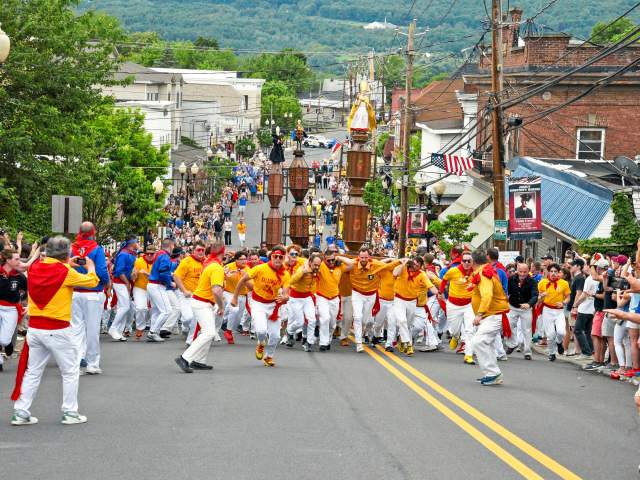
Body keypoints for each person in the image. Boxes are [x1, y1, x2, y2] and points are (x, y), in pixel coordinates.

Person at [11, 236, 99, 425]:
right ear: (67, 254)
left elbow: (52, 270)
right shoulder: (66, 272)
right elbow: (92, 282)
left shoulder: (34, 268)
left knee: (33, 371)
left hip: (34, 329)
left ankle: (21, 411)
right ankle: (70, 412)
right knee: (70, 371)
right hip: (57, 329)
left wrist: (68, 264)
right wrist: (90, 267)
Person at [232, 246, 290, 367]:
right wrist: (235, 297)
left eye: (281, 257)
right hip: (258, 304)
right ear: (271, 257)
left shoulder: (285, 274)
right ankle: (261, 343)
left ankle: (269, 357)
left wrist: (284, 298)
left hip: (274, 305)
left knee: (275, 335)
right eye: (275, 256)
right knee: (261, 331)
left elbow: (286, 294)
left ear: (283, 259)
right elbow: (243, 279)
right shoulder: (260, 268)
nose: (278, 259)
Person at [70, 222, 110, 375]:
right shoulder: (96, 249)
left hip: (74, 292)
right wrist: (107, 282)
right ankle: (92, 364)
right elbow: (101, 270)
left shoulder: (71, 248)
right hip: (93, 293)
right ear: (93, 232)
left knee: (76, 329)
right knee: (92, 329)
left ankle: (76, 362)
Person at [175, 253, 225, 373]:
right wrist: (221, 306)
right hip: (202, 302)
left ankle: (199, 361)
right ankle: (184, 358)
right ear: (222, 254)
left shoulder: (210, 265)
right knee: (209, 333)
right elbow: (216, 290)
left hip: (202, 301)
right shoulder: (216, 267)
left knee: (209, 332)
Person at [469, 249, 510, 386]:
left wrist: (479, 314)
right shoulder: (483, 271)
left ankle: (493, 373)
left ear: (473, 262)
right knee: (487, 344)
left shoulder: (483, 273)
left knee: (478, 342)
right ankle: (492, 374)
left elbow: (487, 295)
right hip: (492, 314)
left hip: (492, 314)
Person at [392, 257, 437, 356]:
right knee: (401, 320)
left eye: (417, 265)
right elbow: (395, 273)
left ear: (420, 267)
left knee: (408, 324)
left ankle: (402, 339)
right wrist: (403, 263)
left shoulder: (422, 274)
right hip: (399, 299)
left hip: (412, 301)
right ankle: (408, 345)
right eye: (413, 264)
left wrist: (439, 293)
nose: (414, 266)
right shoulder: (403, 268)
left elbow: (431, 286)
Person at [315, 249, 354, 351]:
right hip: (322, 297)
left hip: (334, 298)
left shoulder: (339, 267)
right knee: (325, 318)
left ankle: (328, 338)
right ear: (324, 259)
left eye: (332, 260)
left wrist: (339, 257)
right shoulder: (321, 266)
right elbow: (310, 262)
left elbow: (352, 264)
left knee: (332, 322)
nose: (331, 262)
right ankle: (323, 342)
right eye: (329, 260)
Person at [0, 249, 27, 372]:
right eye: (16, 259)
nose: (19, 261)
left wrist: (25, 302)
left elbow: (28, 290)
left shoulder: (19, 276)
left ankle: (8, 344)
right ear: (8, 260)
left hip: (11, 309)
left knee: (4, 340)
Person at [537, 263, 571, 361]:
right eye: (551, 271)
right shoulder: (542, 283)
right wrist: (541, 296)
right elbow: (538, 300)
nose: (553, 273)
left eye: (555, 272)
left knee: (561, 331)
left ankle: (559, 342)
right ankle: (552, 353)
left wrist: (563, 303)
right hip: (547, 310)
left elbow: (568, 297)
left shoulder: (564, 283)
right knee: (550, 334)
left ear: (558, 273)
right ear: (548, 272)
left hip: (559, 311)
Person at [173, 242, 205, 343]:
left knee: (198, 318)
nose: (200, 252)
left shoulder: (206, 262)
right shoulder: (186, 261)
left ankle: (192, 338)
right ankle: (186, 328)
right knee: (188, 318)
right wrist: (184, 290)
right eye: (198, 250)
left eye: (202, 250)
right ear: (193, 251)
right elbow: (176, 276)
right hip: (186, 295)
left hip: (200, 296)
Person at [108, 236, 139, 342]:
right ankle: (113, 328)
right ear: (132, 243)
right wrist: (127, 283)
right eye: (136, 242)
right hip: (120, 283)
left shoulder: (129, 253)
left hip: (124, 282)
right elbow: (119, 271)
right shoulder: (124, 254)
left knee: (125, 307)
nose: (138, 243)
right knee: (125, 307)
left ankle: (119, 331)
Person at [506, 262, 538, 360]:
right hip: (513, 306)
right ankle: (512, 344)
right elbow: (508, 291)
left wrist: (529, 304)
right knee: (509, 325)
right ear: (517, 271)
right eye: (520, 272)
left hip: (526, 309)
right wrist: (506, 297)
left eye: (525, 272)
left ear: (528, 271)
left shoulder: (532, 281)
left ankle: (527, 352)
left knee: (527, 330)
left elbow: (535, 295)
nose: (522, 274)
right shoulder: (511, 279)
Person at [146, 239, 175, 342]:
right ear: (171, 246)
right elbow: (163, 272)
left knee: (157, 311)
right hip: (157, 285)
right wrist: (170, 283)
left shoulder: (159, 254)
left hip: (153, 284)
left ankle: (154, 332)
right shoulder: (164, 256)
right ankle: (153, 332)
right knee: (167, 311)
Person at [221, 251, 250, 344]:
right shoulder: (228, 267)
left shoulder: (248, 269)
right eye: (241, 259)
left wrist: (245, 276)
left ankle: (228, 329)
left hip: (242, 295)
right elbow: (221, 278)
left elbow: (251, 286)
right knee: (234, 310)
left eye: (245, 259)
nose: (244, 261)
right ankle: (227, 328)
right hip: (229, 293)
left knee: (238, 319)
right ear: (236, 260)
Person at [132, 247, 155, 338]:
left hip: (153, 288)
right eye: (147, 253)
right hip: (140, 287)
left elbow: (158, 276)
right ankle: (139, 327)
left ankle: (154, 330)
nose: (149, 255)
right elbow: (133, 277)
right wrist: (134, 275)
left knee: (155, 310)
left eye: (152, 253)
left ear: (155, 254)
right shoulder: (139, 261)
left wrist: (146, 274)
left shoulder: (157, 262)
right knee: (141, 308)